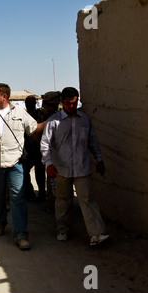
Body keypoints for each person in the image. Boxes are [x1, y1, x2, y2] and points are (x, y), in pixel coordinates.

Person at [0, 83, 46, 250]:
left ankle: (20, 234)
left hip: (16, 163)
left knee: (18, 198)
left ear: (4, 96)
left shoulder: (20, 113)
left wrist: (53, 120)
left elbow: (34, 129)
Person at [40, 87, 110, 246]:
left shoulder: (85, 119)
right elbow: (45, 145)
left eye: (74, 103)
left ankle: (96, 234)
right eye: (68, 103)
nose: (71, 106)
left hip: (82, 168)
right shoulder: (53, 122)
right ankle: (62, 230)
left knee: (87, 200)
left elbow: (93, 142)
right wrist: (49, 164)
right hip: (61, 169)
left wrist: (99, 159)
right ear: (62, 102)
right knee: (63, 200)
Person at [22, 95, 47, 202]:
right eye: (27, 102)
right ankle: (30, 193)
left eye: (31, 102)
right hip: (27, 148)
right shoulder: (23, 115)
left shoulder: (39, 114)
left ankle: (42, 194)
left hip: (38, 148)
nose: (29, 105)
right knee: (24, 172)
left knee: (40, 174)